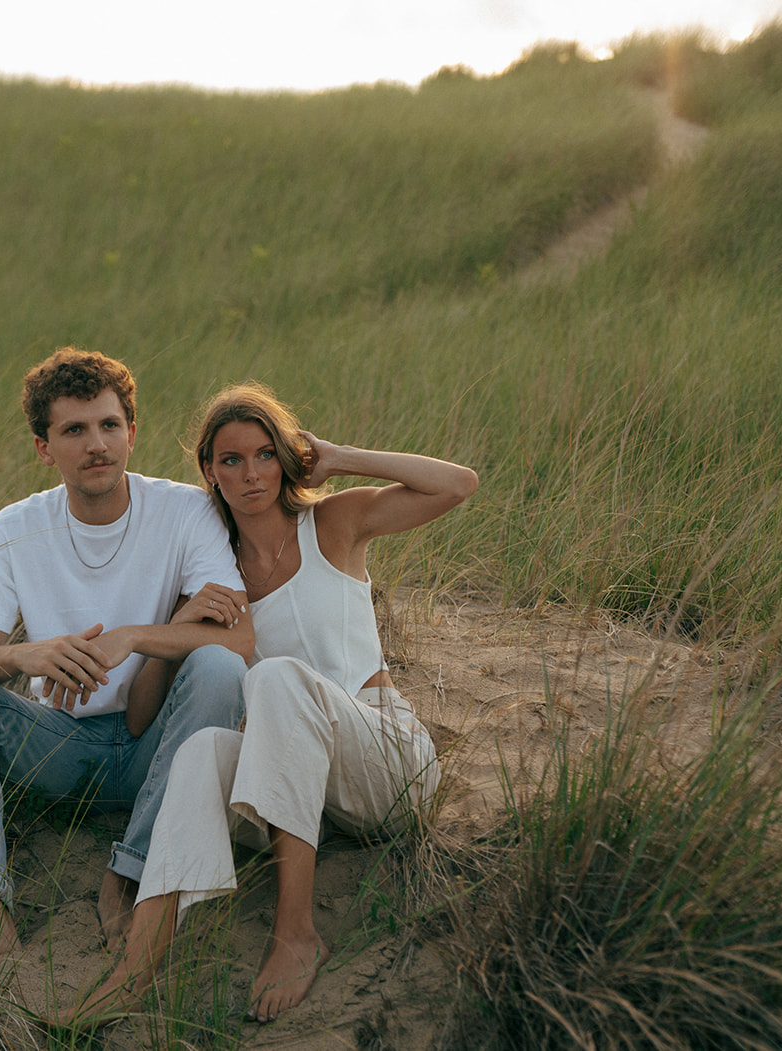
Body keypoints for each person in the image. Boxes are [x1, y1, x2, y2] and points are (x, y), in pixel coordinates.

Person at [51, 381, 478, 1024]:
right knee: (200, 752)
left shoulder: (332, 525)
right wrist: (172, 624)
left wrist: (337, 458)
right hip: (306, 802)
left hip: (388, 769)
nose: (251, 474)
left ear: (286, 458)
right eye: (231, 460)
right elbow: (141, 718)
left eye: (264, 455)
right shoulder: (215, 580)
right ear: (209, 473)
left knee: (276, 676)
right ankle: (137, 966)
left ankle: (295, 933)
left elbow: (457, 484)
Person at [0, 348, 254, 983]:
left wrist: (133, 637)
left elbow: (237, 644)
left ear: (130, 432)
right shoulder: (15, 528)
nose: (96, 444)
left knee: (219, 673)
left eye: (108, 425)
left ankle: (131, 874)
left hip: (161, 742)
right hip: (60, 747)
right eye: (74, 430)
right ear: (44, 447)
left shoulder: (185, 511)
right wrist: (23, 655)